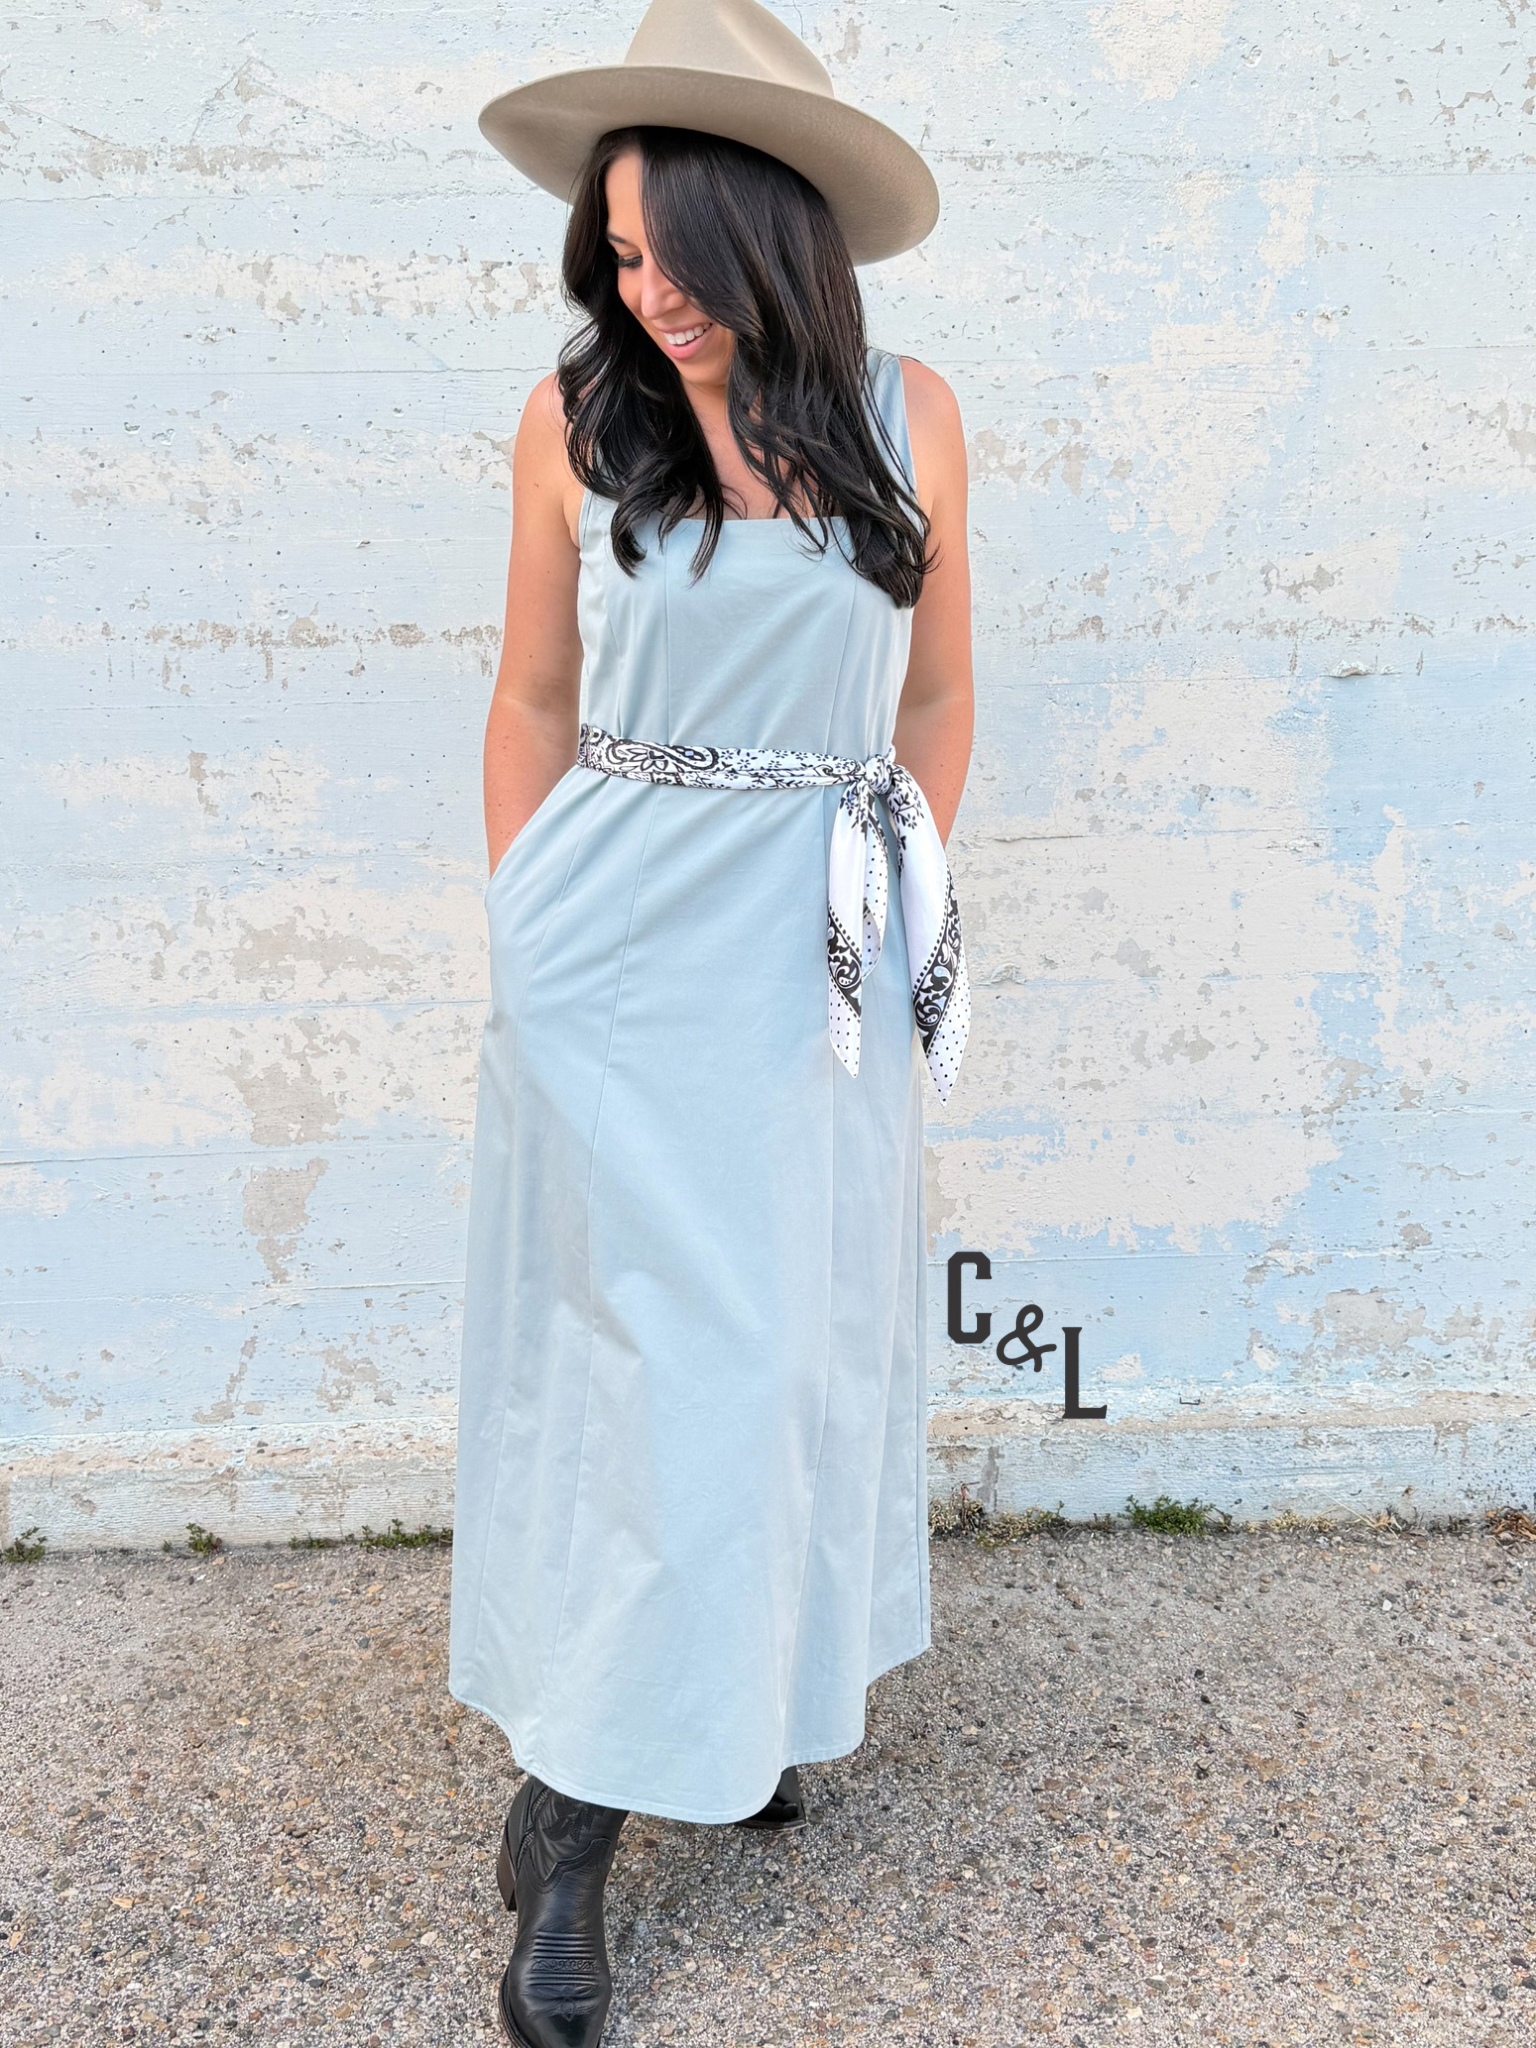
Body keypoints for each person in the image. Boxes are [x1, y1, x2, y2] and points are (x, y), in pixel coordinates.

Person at [449, 2, 974, 2042]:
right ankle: (572, 1825)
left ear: (776, 229)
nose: (644, 289)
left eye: (674, 250)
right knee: (656, 1373)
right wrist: (524, 929)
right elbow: (526, 698)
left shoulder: (911, 412)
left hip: (816, 961)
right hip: (610, 955)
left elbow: (931, 701)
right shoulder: (575, 416)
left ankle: (717, 1704)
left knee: (784, 1353)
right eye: (620, 255)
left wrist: (904, 896)